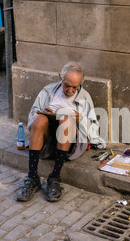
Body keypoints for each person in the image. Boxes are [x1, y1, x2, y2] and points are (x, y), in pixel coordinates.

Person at [17, 62, 106, 202]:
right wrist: (44, 113)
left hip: (70, 143)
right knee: (39, 119)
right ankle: (32, 176)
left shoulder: (84, 97)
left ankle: (54, 177)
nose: (70, 90)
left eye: (74, 87)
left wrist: (80, 119)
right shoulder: (48, 91)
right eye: (67, 85)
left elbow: (94, 131)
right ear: (60, 77)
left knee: (67, 119)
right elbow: (31, 119)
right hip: (47, 140)